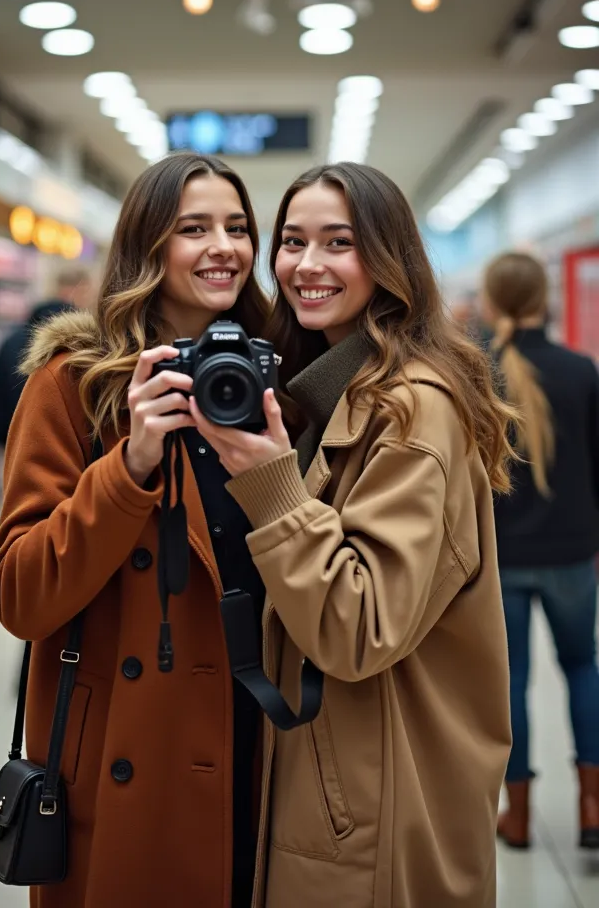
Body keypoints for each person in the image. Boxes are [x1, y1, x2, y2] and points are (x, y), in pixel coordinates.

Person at [190, 162, 515, 908]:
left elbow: (359, 626)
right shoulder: (335, 393)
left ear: (388, 258)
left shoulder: (411, 413)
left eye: (339, 243)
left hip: (378, 792)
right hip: (347, 774)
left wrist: (272, 483)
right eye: (292, 241)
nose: (307, 266)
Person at [0, 152, 270, 908]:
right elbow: (20, 595)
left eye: (238, 227)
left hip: (261, 737)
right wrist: (129, 465)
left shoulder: (273, 380)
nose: (225, 247)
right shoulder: (73, 383)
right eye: (194, 228)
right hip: (128, 748)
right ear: (149, 246)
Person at [482, 251, 599, 851]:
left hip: (502, 557)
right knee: (583, 668)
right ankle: (592, 807)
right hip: (574, 553)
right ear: (543, 299)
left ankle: (518, 815)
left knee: (513, 682)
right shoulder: (582, 371)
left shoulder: (480, 373)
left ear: (493, 302)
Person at [0, 266, 97, 447]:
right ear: (81, 291)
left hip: (14, 451)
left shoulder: (11, 341)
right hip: (67, 458)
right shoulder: (84, 346)